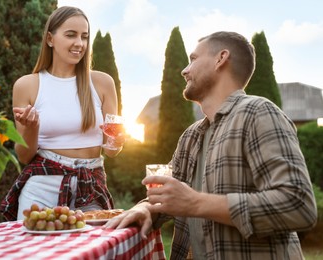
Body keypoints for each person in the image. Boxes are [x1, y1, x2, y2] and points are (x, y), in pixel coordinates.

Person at [104, 31, 317, 259]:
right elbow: (169, 195)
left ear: (220, 58)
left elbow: (298, 204)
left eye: (193, 59)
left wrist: (196, 203)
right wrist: (143, 208)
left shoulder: (258, 112)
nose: (184, 70)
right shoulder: (191, 136)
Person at [0, 6, 125, 221]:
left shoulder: (103, 82)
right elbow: (24, 156)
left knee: (95, 252)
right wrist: (31, 129)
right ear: (50, 38)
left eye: (84, 37)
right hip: (42, 186)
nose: (79, 43)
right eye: (71, 35)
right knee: (37, 253)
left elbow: (112, 151)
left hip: (91, 184)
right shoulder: (27, 85)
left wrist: (117, 140)